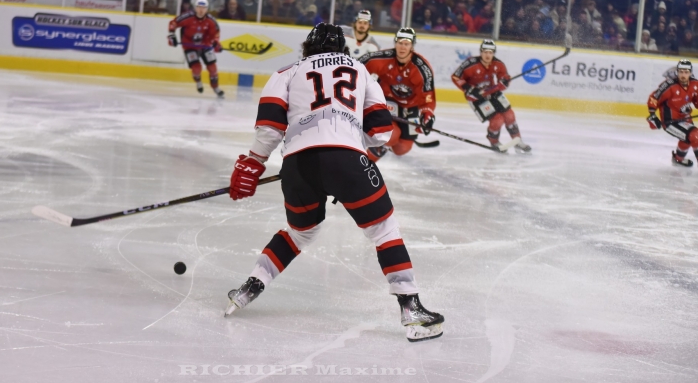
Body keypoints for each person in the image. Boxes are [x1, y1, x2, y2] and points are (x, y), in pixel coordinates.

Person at [224, 23, 444, 343]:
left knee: (299, 232)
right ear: (342, 48)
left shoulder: (286, 71)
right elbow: (381, 134)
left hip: (298, 165)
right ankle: (410, 307)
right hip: (348, 161)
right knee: (383, 230)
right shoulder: (359, 69)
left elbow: (270, 129)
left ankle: (250, 287)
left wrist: (253, 164)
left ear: (306, 48)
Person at [358, 28, 436, 161]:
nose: (402, 47)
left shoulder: (423, 69)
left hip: (410, 107)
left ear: (412, 46)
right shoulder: (383, 58)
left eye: (406, 44)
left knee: (402, 148)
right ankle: (368, 160)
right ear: (395, 43)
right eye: (400, 43)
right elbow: (358, 65)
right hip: (385, 100)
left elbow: (427, 98)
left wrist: (427, 116)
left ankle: (382, 143)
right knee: (391, 135)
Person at [451, 40, 531, 153]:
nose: (488, 55)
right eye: (485, 52)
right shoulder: (470, 64)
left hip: (493, 92)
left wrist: (504, 82)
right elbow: (456, 77)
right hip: (477, 97)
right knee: (497, 120)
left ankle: (517, 141)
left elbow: (504, 78)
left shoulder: (498, 64)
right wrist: (469, 89)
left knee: (509, 115)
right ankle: (494, 141)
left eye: (491, 52)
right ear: (481, 52)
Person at [168, 0, 224, 97]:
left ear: (207, 9)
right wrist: (172, 35)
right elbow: (174, 23)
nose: (201, 10)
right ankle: (198, 81)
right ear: (195, 8)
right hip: (189, 45)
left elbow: (216, 33)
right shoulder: (187, 16)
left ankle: (216, 88)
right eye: (198, 7)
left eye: (204, 8)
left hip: (205, 45)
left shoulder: (211, 20)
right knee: (196, 68)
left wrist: (216, 43)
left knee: (212, 68)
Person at [647, 59, 698, 166]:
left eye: (686, 72)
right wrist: (652, 114)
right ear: (677, 72)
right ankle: (678, 159)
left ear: (690, 73)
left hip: (686, 119)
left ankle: (678, 159)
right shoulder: (669, 86)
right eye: (681, 72)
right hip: (670, 122)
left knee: (688, 138)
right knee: (694, 136)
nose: (683, 75)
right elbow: (654, 98)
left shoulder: (695, 84)